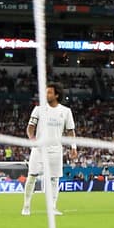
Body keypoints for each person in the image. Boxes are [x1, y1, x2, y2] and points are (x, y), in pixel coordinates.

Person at [21, 82, 77, 216]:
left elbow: (70, 131)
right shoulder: (39, 109)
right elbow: (30, 127)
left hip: (56, 151)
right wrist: (32, 139)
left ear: (56, 95)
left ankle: (52, 207)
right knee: (32, 176)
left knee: (54, 180)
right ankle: (26, 206)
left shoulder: (65, 111)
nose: (46, 95)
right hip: (39, 150)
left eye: (49, 92)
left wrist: (73, 147)